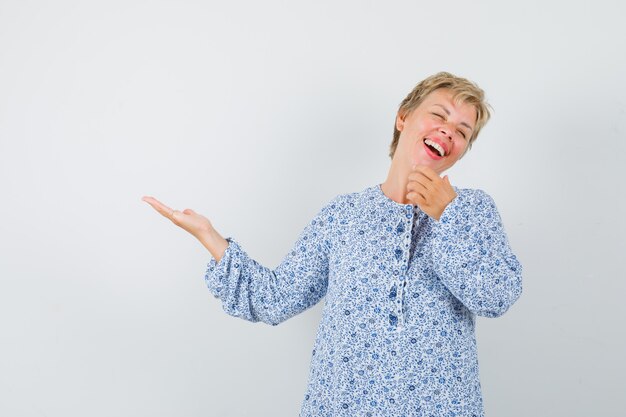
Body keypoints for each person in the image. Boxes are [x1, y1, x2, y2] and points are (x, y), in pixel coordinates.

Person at [142, 71, 523, 417]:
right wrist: (209, 237)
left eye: (462, 131)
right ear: (403, 117)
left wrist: (447, 215)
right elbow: (275, 298)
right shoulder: (343, 215)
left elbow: (496, 297)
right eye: (439, 115)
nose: (448, 132)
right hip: (344, 405)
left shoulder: (472, 210)